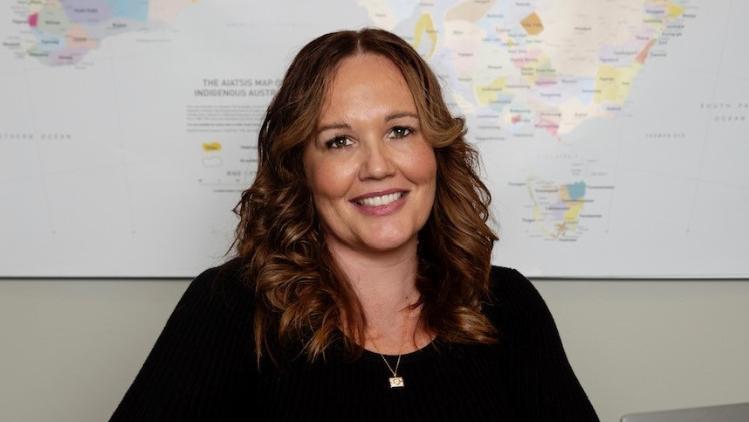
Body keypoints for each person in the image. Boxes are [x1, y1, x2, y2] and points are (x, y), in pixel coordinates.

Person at [110, 28, 599, 421]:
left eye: (400, 131)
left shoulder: (508, 306)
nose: (378, 166)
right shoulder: (230, 309)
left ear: (436, 149)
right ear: (299, 166)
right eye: (339, 141)